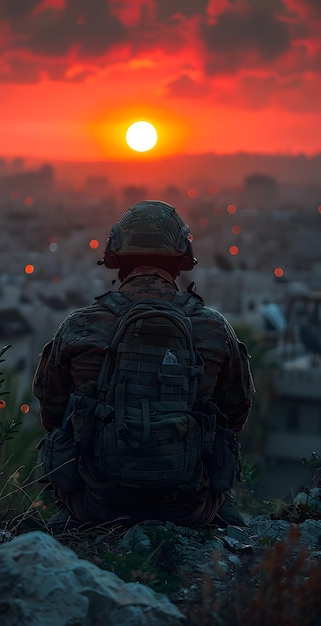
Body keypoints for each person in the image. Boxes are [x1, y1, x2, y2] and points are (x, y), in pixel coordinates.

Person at [33, 200, 255, 533]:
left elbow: (51, 412)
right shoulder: (213, 329)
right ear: (181, 260)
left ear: (116, 258)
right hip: (191, 508)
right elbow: (236, 411)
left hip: (96, 506)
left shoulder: (80, 326)